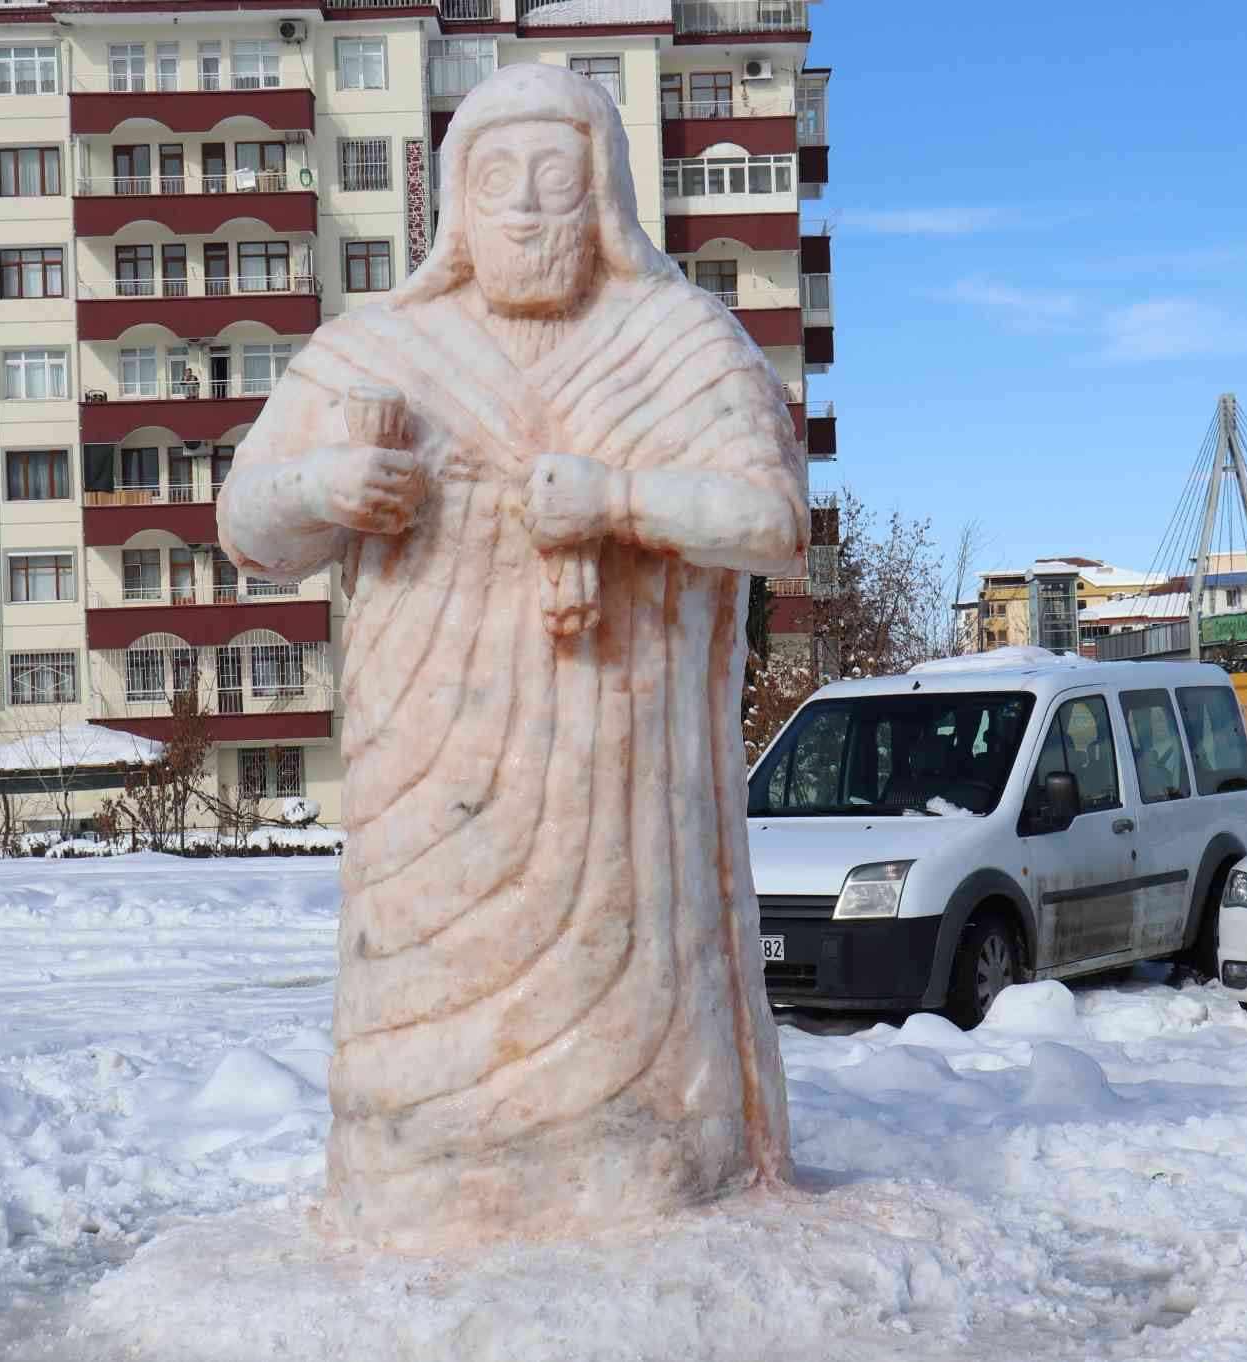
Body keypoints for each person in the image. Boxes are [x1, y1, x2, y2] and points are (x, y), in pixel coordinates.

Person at [217, 64, 807, 1251]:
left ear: (604, 197)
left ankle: (641, 1176)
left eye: (557, 180)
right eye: (500, 185)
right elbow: (247, 523)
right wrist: (328, 484)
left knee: (620, 1002)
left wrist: (620, 498)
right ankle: (420, 1179)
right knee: (427, 1000)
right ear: (456, 206)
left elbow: (771, 521)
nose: (530, 211)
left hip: (617, 763)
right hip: (427, 768)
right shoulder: (379, 349)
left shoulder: (673, 336)